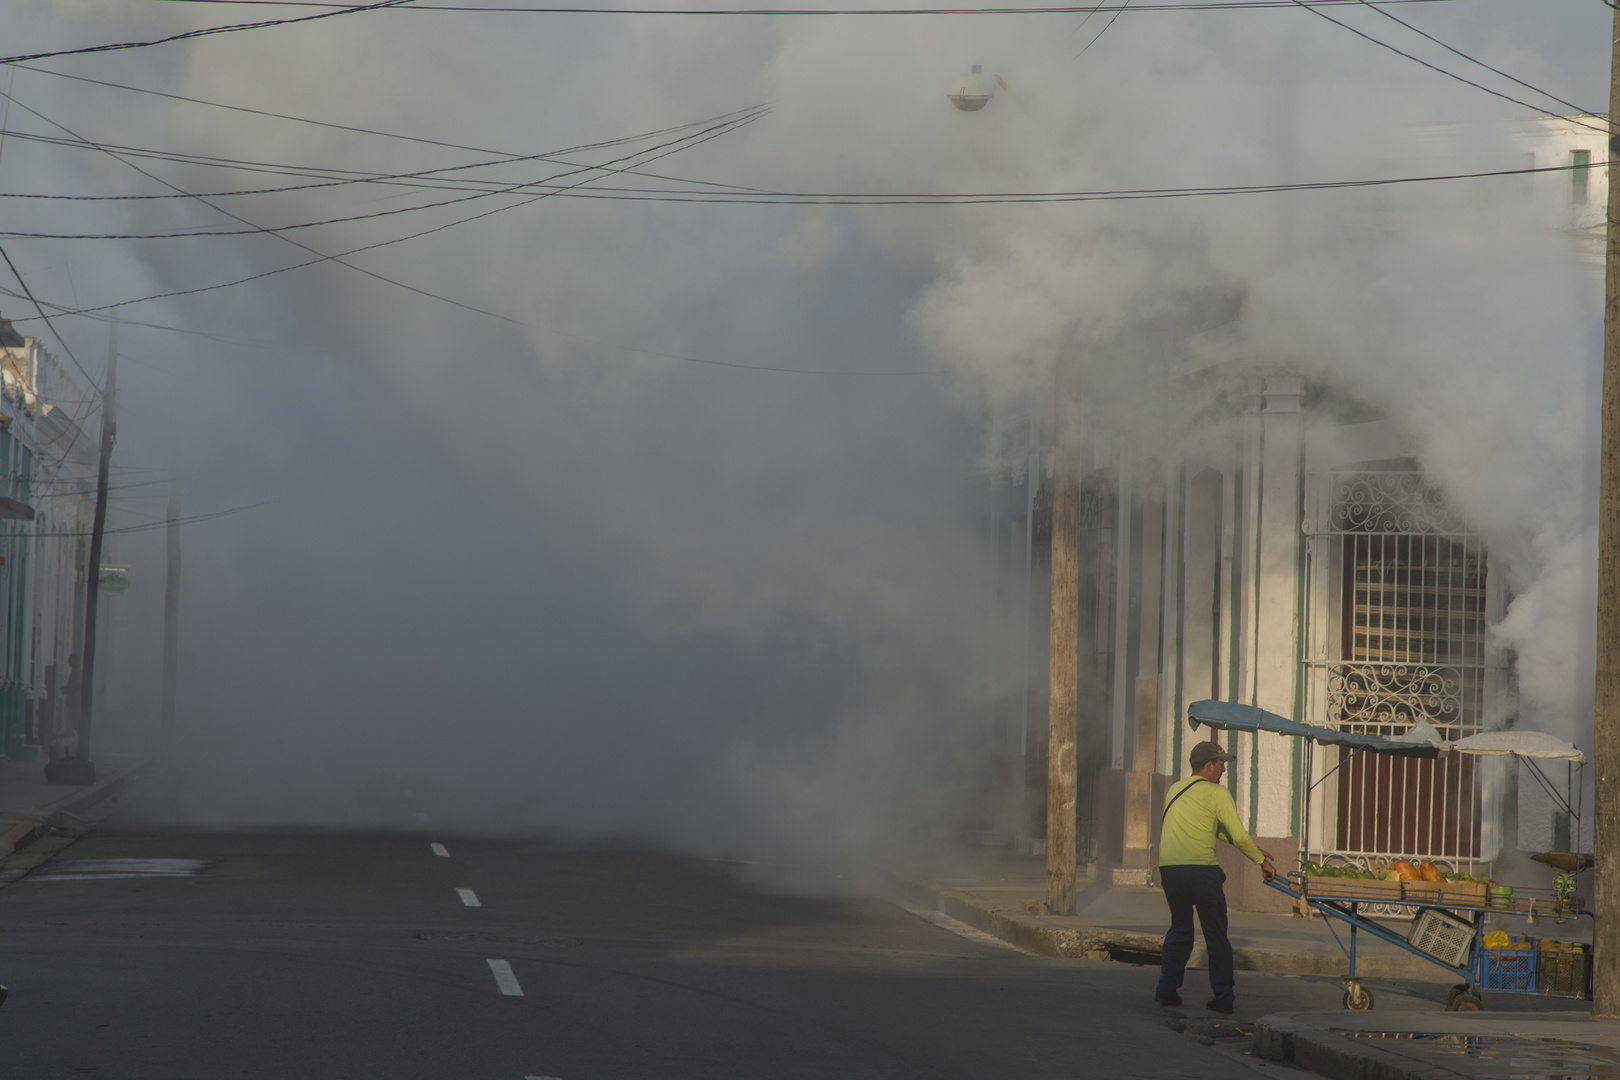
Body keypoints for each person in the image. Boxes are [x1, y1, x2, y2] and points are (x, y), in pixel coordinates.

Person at [1154, 739, 1276, 1015]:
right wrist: (1261, 862)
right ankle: (1223, 997)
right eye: (1221, 764)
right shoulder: (1217, 793)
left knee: (1180, 928)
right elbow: (1238, 833)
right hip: (1201, 869)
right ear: (1209, 765)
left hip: (1170, 869)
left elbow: (1217, 830)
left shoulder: (1175, 789)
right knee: (1216, 934)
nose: (1223, 770)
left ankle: (1166, 990)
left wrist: (1253, 848)